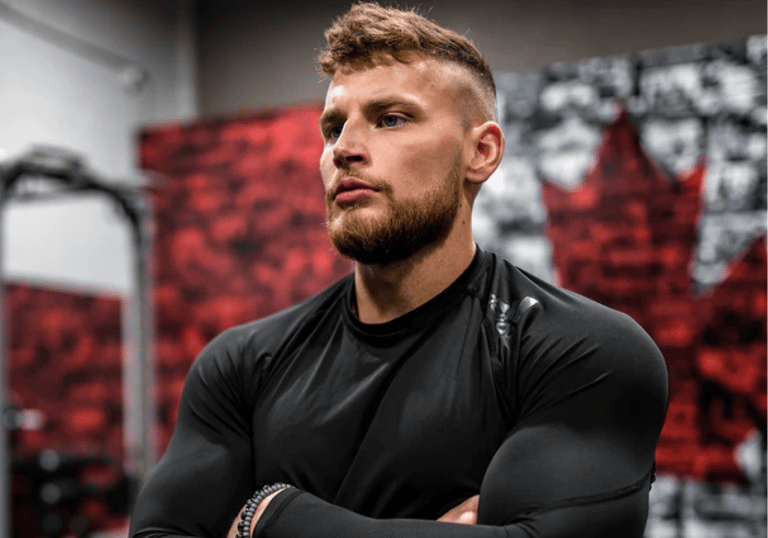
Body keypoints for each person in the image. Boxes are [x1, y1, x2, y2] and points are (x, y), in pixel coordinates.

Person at [129, 3, 669, 538]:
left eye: (391, 119)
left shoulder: (580, 351)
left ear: (481, 152)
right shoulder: (242, 365)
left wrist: (267, 515)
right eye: (333, 127)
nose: (344, 149)